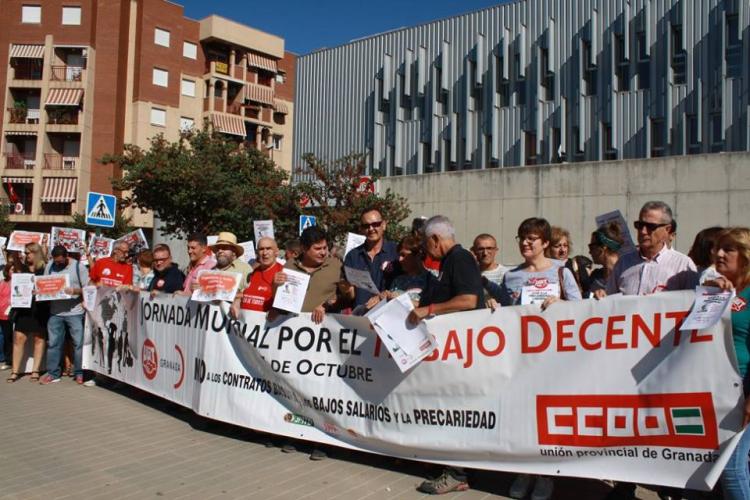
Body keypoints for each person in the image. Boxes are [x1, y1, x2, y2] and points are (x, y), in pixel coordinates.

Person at [496, 218, 581, 500]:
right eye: (522, 237)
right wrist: (495, 307)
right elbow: (508, 316)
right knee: (521, 415)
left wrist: (563, 306)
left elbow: (583, 311)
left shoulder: (562, 272)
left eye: (532, 238)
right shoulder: (511, 275)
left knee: (546, 417)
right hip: (521, 357)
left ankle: (546, 475)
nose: (525, 243)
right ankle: (523, 470)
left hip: (553, 358)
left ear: (545, 243)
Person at [410, 216, 483, 495]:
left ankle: (458, 473)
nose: (427, 252)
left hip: (461, 352)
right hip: (448, 351)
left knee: (456, 410)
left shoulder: (460, 258)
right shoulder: (448, 261)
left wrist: (428, 311)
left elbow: (468, 300)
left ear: (435, 239)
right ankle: (449, 465)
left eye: (427, 245)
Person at [273, 226, 345, 460]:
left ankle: (322, 439)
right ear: (303, 249)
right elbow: (280, 298)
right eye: (317, 248)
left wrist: (331, 302)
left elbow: (346, 295)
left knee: (320, 390)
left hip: (324, 339)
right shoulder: (289, 267)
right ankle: (294, 433)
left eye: (325, 247)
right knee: (295, 386)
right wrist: (276, 284)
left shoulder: (335, 266)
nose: (323, 252)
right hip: (294, 337)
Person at [703, 228, 750, 499]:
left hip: (743, 391)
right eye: (718, 248)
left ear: (744, 256)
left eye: (728, 249)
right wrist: (708, 293)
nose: (719, 254)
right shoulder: (717, 290)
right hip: (717, 393)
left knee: (731, 468)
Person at [605, 201, 697, 296]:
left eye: (650, 226)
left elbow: (693, 304)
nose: (643, 231)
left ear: (667, 229)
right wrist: (600, 297)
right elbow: (610, 301)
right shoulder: (623, 263)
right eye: (639, 225)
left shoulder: (682, 265)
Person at [39, 245, 88, 385]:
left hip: (75, 312)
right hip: (55, 312)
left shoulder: (79, 267)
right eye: (56, 262)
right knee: (54, 343)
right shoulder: (50, 266)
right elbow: (45, 285)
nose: (58, 264)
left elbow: (88, 288)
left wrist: (74, 291)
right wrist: (39, 292)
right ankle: (53, 373)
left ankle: (79, 372)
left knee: (78, 344)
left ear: (67, 257)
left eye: (60, 262)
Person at [7, 243, 49, 383]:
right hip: (23, 308)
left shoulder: (45, 269)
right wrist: (13, 245)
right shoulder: (23, 268)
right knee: (19, 338)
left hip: (39, 308)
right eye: (25, 253)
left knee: (39, 338)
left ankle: (35, 370)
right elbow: (16, 260)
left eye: (28, 253)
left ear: (36, 253)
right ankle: (15, 371)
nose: (26, 255)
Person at [342, 207, 399, 308]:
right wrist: (346, 290)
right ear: (361, 229)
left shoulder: (396, 252)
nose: (371, 229)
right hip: (361, 317)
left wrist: (387, 294)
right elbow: (350, 296)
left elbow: (407, 285)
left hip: (389, 314)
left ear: (384, 225)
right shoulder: (352, 256)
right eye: (366, 226)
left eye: (375, 224)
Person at [365, 234, 429, 309]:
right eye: (399, 255)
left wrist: (401, 299)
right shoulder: (398, 280)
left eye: (404, 255)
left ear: (418, 255)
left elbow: (432, 307)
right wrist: (382, 297)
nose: (400, 259)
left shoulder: (430, 279)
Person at [232, 237, 283, 315]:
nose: (265, 253)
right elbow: (243, 293)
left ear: (276, 252)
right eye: (261, 249)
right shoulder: (252, 273)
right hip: (245, 323)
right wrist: (237, 300)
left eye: (268, 248)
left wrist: (278, 310)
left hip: (267, 324)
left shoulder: (283, 273)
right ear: (257, 253)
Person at [547, 226, 594, 296]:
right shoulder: (543, 267)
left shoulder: (576, 265)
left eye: (565, 245)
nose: (562, 250)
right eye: (557, 246)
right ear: (548, 248)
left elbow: (587, 289)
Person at [588, 222, 625, 298]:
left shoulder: (625, 274)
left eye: (591, 247)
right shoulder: (595, 276)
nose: (589, 252)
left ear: (603, 248)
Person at [471, 233, 508, 307]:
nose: (485, 253)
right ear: (474, 251)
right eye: (481, 249)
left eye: (489, 248)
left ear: (496, 250)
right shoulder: (469, 274)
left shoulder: (506, 274)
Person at [0, 264, 13, 371]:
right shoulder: (3, 283)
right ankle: (8, 360)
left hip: (15, 314)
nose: (13, 272)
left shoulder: (20, 282)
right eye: (12, 270)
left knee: (14, 338)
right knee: (7, 337)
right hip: (3, 314)